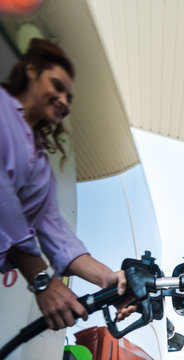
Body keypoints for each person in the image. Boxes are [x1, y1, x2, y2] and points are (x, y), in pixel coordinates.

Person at [0, 38, 132, 331]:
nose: (63, 101)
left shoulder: (40, 166)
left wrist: (107, 278)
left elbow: (56, 235)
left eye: (69, 98)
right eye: (57, 87)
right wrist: (41, 278)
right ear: (32, 71)